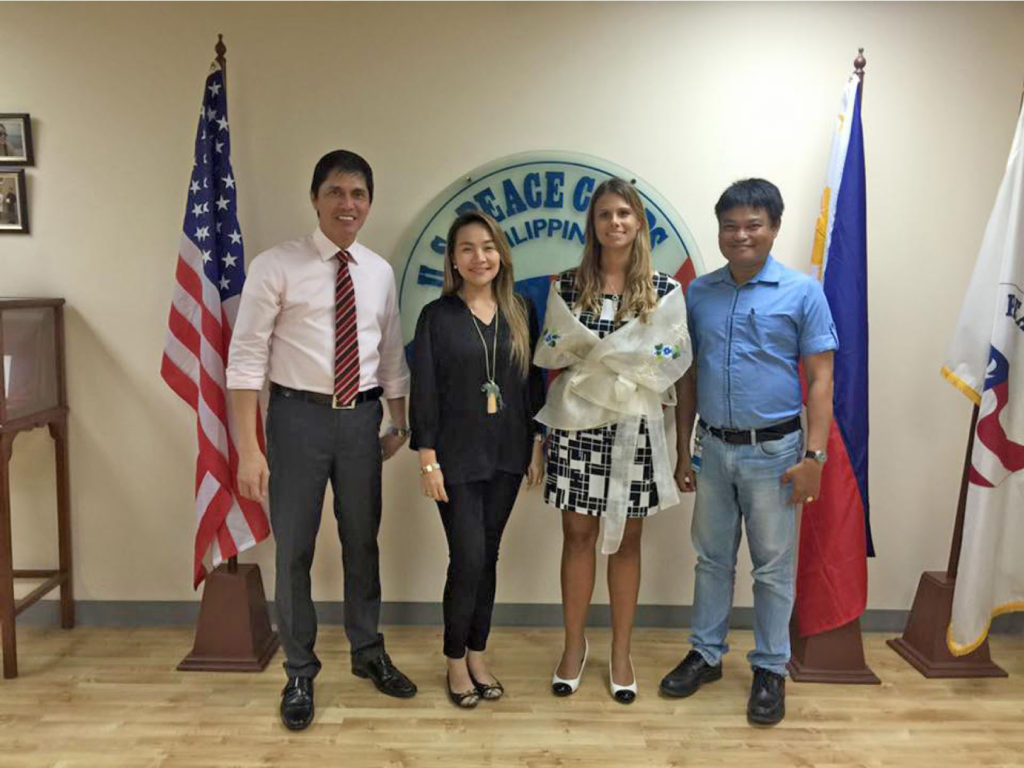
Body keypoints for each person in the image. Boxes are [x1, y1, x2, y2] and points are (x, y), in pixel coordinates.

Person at [227, 149, 417, 732]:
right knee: (296, 551)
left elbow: (389, 355)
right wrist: (249, 448)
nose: (347, 204)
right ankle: (300, 671)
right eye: (336, 192)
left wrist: (398, 421)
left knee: (363, 542)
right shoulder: (275, 265)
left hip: (361, 422)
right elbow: (246, 357)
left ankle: (368, 652)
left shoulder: (379, 271)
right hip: (295, 420)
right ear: (315, 198)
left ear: (369, 204)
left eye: (358, 194)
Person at [659, 178, 837, 726]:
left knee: (772, 569)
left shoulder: (802, 293)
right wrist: (684, 450)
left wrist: (815, 457)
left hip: (776, 454)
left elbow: (821, 379)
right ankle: (707, 654)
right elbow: (686, 377)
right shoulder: (700, 294)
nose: (741, 235)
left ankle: (770, 668)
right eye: (731, 226)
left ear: (774, 228)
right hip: (712, 449)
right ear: (720, 231)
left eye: (753, 225)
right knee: (711, 560)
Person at [534, 177, 691, 704]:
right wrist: (617, 360)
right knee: (577, 538)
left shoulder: (665, 292)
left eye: (624, 213)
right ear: (593, 225)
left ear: (638, 222)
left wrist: (601, 359)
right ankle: (573, 646)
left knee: (626, 542)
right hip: (577, 428)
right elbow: (555, 351)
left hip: (636, 432)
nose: (615, 223)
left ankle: (620, 651)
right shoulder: (567, 287)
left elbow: (668, 363)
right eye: (605, 214)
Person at [410, 210, 545, 708]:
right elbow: (424, 390)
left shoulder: (521, 310)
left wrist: (535, 443)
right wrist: (427, 458)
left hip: (508, 454)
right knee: (466, 557)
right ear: (453, 258)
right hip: (455, 459)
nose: (479, 257)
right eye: (467, 248)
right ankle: (453, 659)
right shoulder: (436, 317)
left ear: (501, 253)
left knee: (487, 557)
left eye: (487, 247)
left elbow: (532, 385)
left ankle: (478, 653)